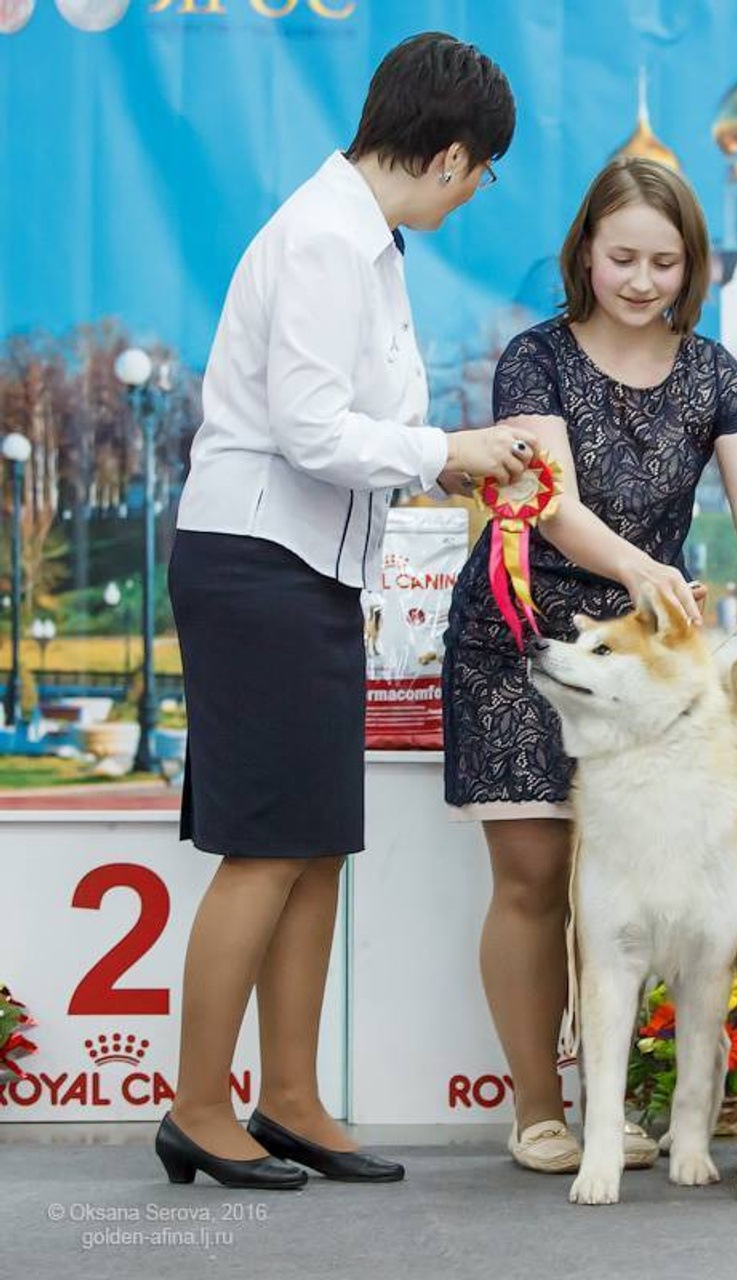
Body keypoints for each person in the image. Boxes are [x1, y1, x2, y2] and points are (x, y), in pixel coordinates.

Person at [160, 32, 539, 1190]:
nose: (477, 193)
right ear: (454, 155)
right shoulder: (327, 241)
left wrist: (446, 463)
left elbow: (351, 435)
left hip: (306, 564)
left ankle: (289, 1095)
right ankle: (194, 1105)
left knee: (315, 844)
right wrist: (449, 447)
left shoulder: (359, 239)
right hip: (256, 558)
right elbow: (312, 430)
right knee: (264, 848)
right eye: (483, 173)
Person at [441, 156, 737, 1173]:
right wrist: (643, 564)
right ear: (584, 255)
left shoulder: (718, 373)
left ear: (691, 265)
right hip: (522, 637)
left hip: (655, 668)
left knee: (672, 888)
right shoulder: (533, 360)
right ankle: (539, 1112)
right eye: (621, 258)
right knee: (537, 873)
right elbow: (546, 500)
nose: (641, 280)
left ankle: (636, 1106)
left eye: (664, 260)